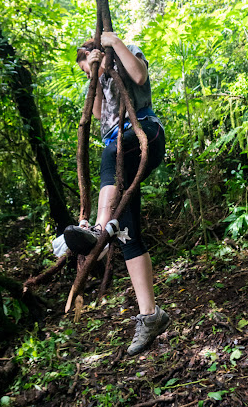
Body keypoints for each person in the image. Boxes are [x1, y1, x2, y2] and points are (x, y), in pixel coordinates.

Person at [64, 32, 170, 355]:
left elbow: (139, 74)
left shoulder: (127, 51)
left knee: (112, 151)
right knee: (127, 232)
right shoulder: (95, 75)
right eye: (83, 67)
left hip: (143, 133)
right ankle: (150, 315)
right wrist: (93, 75)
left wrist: (113, 43)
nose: (87, 69)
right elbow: (97, 114)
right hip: (118, 148)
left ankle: (98, 227)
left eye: (87, 61)